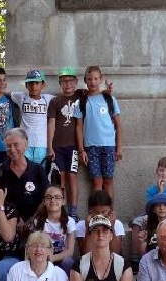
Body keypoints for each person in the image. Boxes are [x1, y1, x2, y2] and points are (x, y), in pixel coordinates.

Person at [74, 66, 123, 200]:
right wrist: (81, 150)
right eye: (89, 79)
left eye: (96, 79)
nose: (93, 82)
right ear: (85, 81)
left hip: (109, 146)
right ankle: (97, 212)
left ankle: (110, 213)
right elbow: (78, 127)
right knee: (96, 182)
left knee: (108, 181)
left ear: (101, 79)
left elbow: (118, 125)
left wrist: (119, 148)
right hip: (91, 148)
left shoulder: (109, 100)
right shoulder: (81, 102)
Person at [47, 66, 84, 220]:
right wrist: (50, 146)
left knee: (72, 177)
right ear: (60, 83)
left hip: (74, 147)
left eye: (70, 81)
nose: (68, 84)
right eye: (64, 81)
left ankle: (73, 211)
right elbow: (51, 124)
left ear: (76, 82)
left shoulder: (81, 98)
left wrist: (81, 148)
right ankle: (62, 209)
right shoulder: (55, 101)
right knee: (60, 178)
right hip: (58, 147)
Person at [130, 157, 166, 263]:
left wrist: (162, 193)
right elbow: (151, 207)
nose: (164, 174)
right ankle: (135, 256)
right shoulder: (151, 190)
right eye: (161, 170)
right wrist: (160, 190)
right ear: (157, 171)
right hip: (153, 214)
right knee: (136, 222)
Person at [0, 128, 48, 223]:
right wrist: (15, 218)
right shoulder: (1, 170)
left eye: (16, 145)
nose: (12, 149)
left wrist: (32, 219)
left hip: (36, 222)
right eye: (8, 146)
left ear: (25, 145)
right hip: (9, 222)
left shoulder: (38, 170)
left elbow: (46, 197)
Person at [26, 184, 76, 277]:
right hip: (42, 258)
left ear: (63, 201)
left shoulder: (70, 221)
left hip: (61, 258)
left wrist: (53, 258)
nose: (53, 200)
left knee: (68, 262)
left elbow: (70, 251)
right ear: (44, 201)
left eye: (57, 197)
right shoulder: (38, 221)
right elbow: (32, 246)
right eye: (49, 197)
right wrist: (45, 258)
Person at [9, 69, 55, 163]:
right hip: (24, 143)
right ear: (26, 85)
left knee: (39, 172)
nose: (33, 86)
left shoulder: (49, 99)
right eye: (30, 83)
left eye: (37, 83)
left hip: (42, 144)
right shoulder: (21, 97)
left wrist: (81, 92)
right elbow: (5, 93)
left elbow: (65, 97)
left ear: (43, 85)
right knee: (25, 172)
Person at [75, 190, 125, 255]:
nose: (100, 215)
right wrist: (88, 228)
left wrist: (112, 227)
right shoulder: (81, 225)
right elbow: (85, 254)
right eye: (96, 212)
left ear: (110, 210)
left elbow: (116, 253)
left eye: (104, 212)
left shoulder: (117, 224)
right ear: (90, 210)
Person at [136, 192, 166, 257]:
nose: (161, 208)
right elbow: (142, 252)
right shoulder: (148, 226)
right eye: (158, 205)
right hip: (152, 261)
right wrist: (141, 241)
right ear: (153, 210)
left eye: (165, 205)